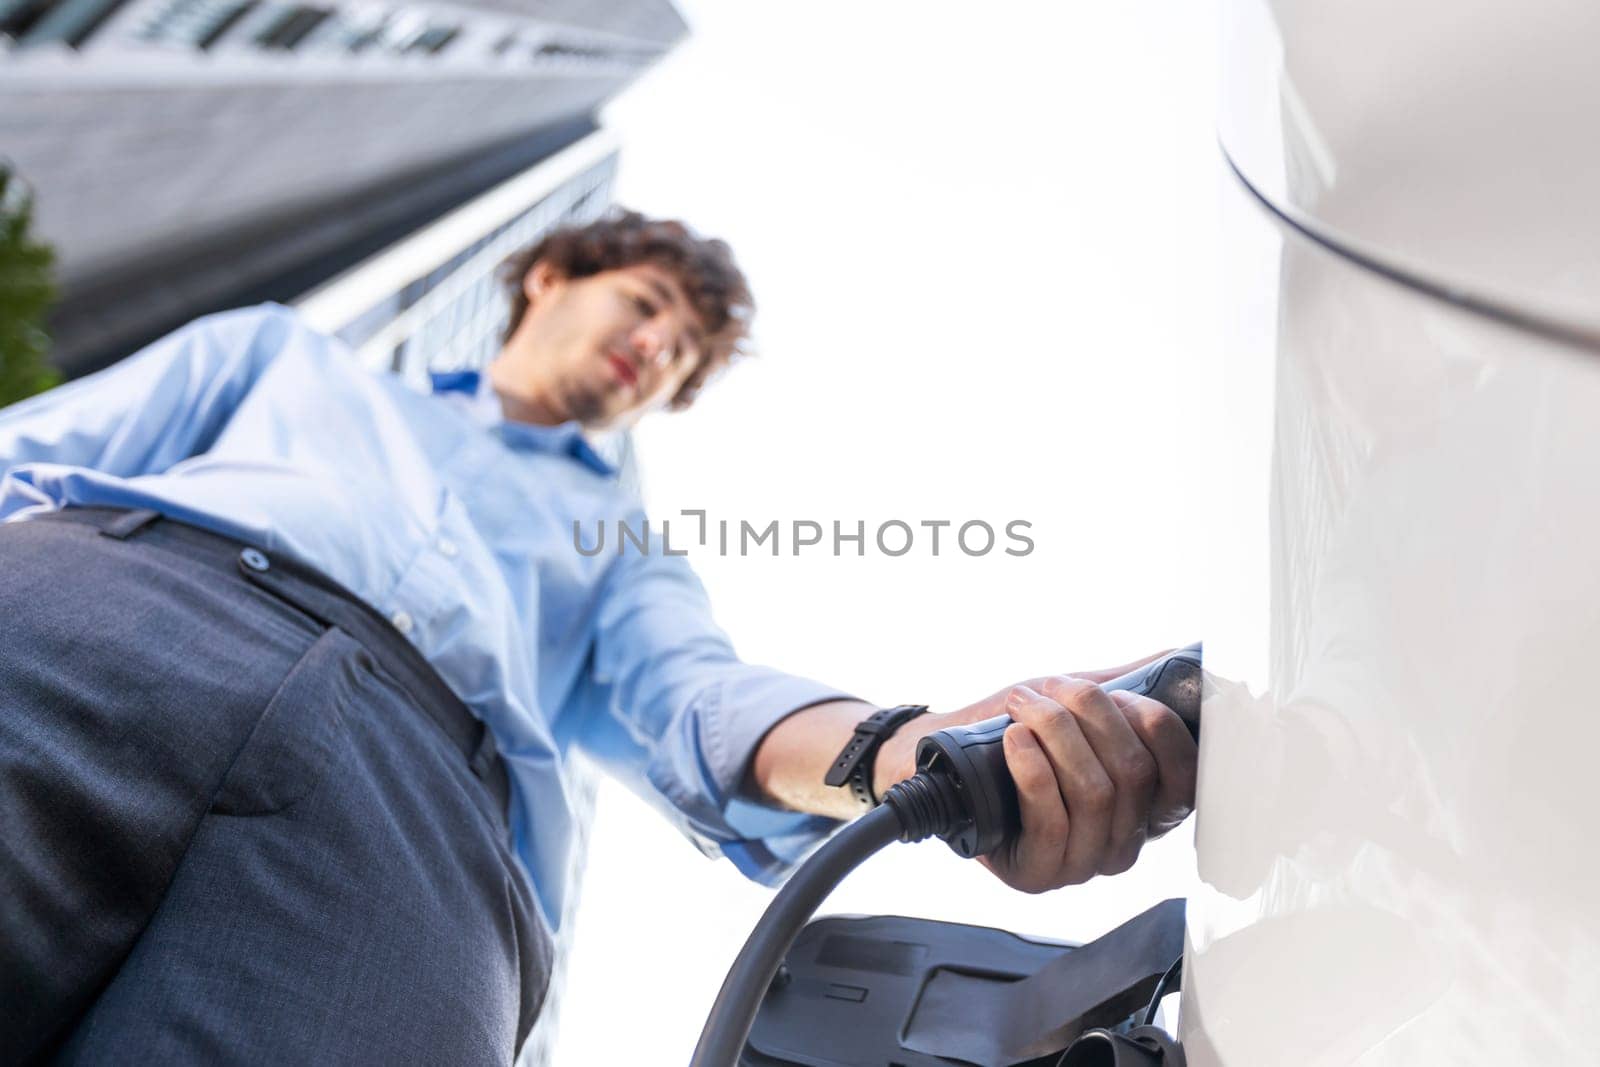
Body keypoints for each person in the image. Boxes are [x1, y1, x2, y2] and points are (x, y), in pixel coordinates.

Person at [0, 211, 1198, 1063]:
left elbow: (692, 695)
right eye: (645, 305)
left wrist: (901, 747)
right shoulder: (278, 355)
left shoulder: (619, 538)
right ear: (550, 279)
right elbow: (22, 457)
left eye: (680, 352)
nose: (656, 348)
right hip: (108, 608)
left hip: (417, 812)